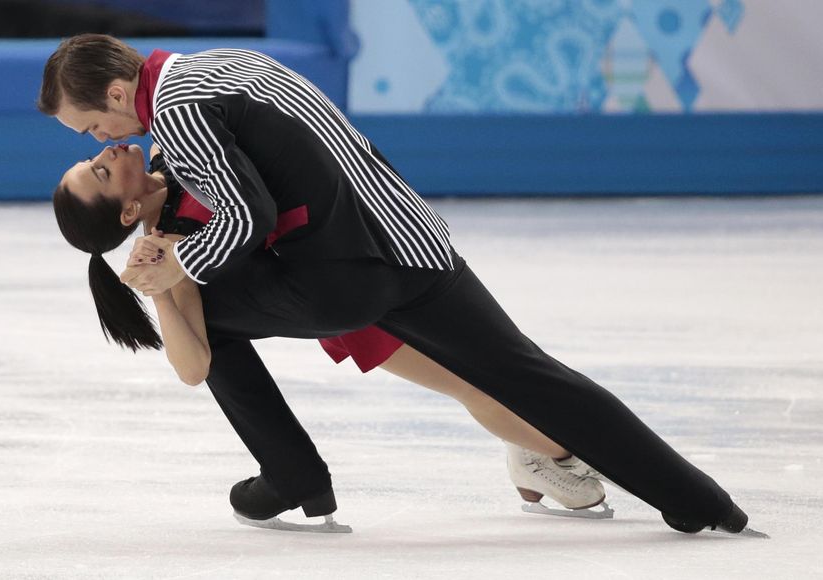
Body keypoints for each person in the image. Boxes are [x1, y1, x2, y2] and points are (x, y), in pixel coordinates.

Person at [39, 34, 752, 535]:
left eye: (91, 127)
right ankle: (699, 500)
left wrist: (177, 272)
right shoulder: (224, 64)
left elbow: (249, 215)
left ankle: (292, 475)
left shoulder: (180, 113)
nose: (102, 139)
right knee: (533, 375)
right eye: (93, 148)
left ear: (114, 90)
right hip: (413, 238)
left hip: (340, 277)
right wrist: (170, 275)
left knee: (215, 324)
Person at [54, 142, 609, 525]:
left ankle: (554, 450)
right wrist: (157, 289)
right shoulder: (168, 242)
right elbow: (194, 367)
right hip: (347, 303)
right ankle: (568, 452)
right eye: (99, 171)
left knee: (488, 370)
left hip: (359, 253)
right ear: (128, 211)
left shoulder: (176, 151)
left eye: (92, 155)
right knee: (471, 383)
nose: (105, 152)